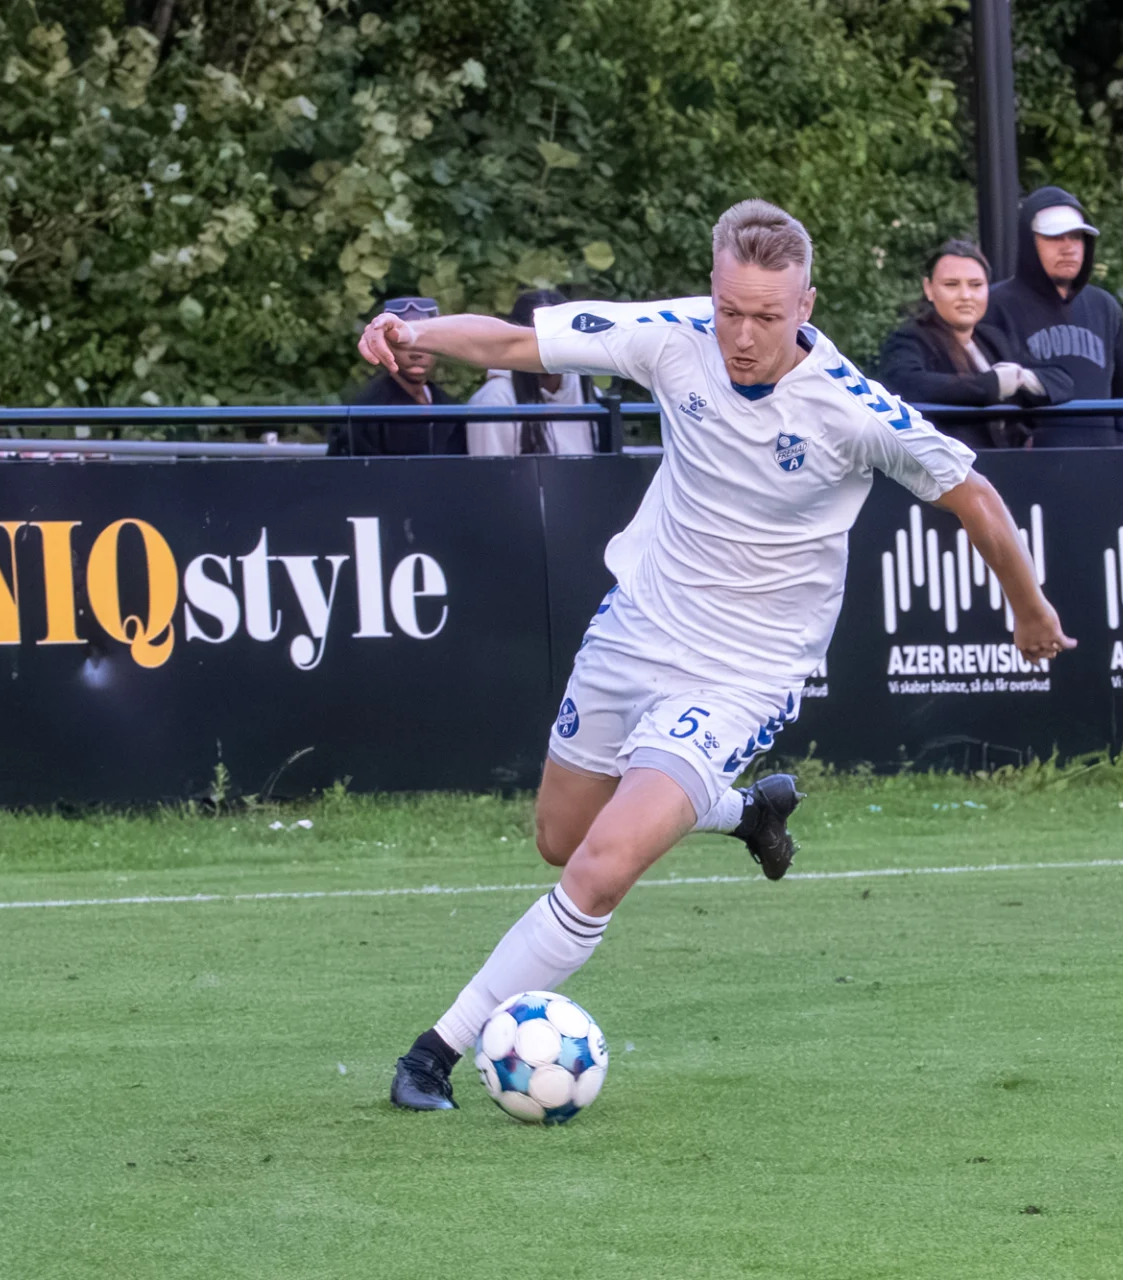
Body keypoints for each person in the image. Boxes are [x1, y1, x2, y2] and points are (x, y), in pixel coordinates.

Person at [356, 199, 1077, 1112]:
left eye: (767, 318)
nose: (742, 336)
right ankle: (745, 812)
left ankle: (433, 1054)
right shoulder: (672, 337)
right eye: (731, 310)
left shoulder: (851, 410)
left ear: (807, 306)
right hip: (638, 627)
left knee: (601, 867)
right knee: (559, 841)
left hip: (745, 669)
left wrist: (1030, 606)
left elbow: (973, 494)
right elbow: (506, 345)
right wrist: (409, 326)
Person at [987, 187, 1123, 447]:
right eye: (1054, 237)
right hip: (1025, 473)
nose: (1068, 247)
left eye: (1076, 236)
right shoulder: (994, 305)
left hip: (1101, 469)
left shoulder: (1105, 307)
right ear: (1030, 241)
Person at [875, 239, 1048, 450]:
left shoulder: (993, 338)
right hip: (951, 470)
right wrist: (994, 385)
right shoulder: (909, 339)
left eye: (976, 285)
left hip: (1010, 466)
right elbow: (908, 385)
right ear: (928, 289)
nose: (965, 296)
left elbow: (1061, 379)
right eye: (951, 285)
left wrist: (1027, 380)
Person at [466, 290, 599, 456]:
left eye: (559, 336)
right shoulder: (494, 401)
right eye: (542, 337)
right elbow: (492, 478)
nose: (552, 347)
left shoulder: (586, 390)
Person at [327, 297, 466, 456]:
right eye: (404, 342)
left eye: (426, 342)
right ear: (386, 344)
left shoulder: (450, 407)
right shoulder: (367, 411)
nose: (417, 353)